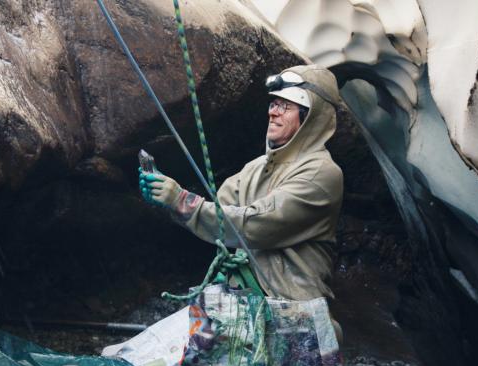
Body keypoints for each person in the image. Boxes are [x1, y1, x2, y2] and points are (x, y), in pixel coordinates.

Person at [139, 64, 344, 343]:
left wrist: (183, 201)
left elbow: (258, 225)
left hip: (293, 316)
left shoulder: (322, 173)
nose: (273, 112)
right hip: (241, 307)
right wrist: (169, 200)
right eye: (274, 103)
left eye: (286, 106)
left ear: (310, 118)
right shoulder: (255, 168)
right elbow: (222, 218)